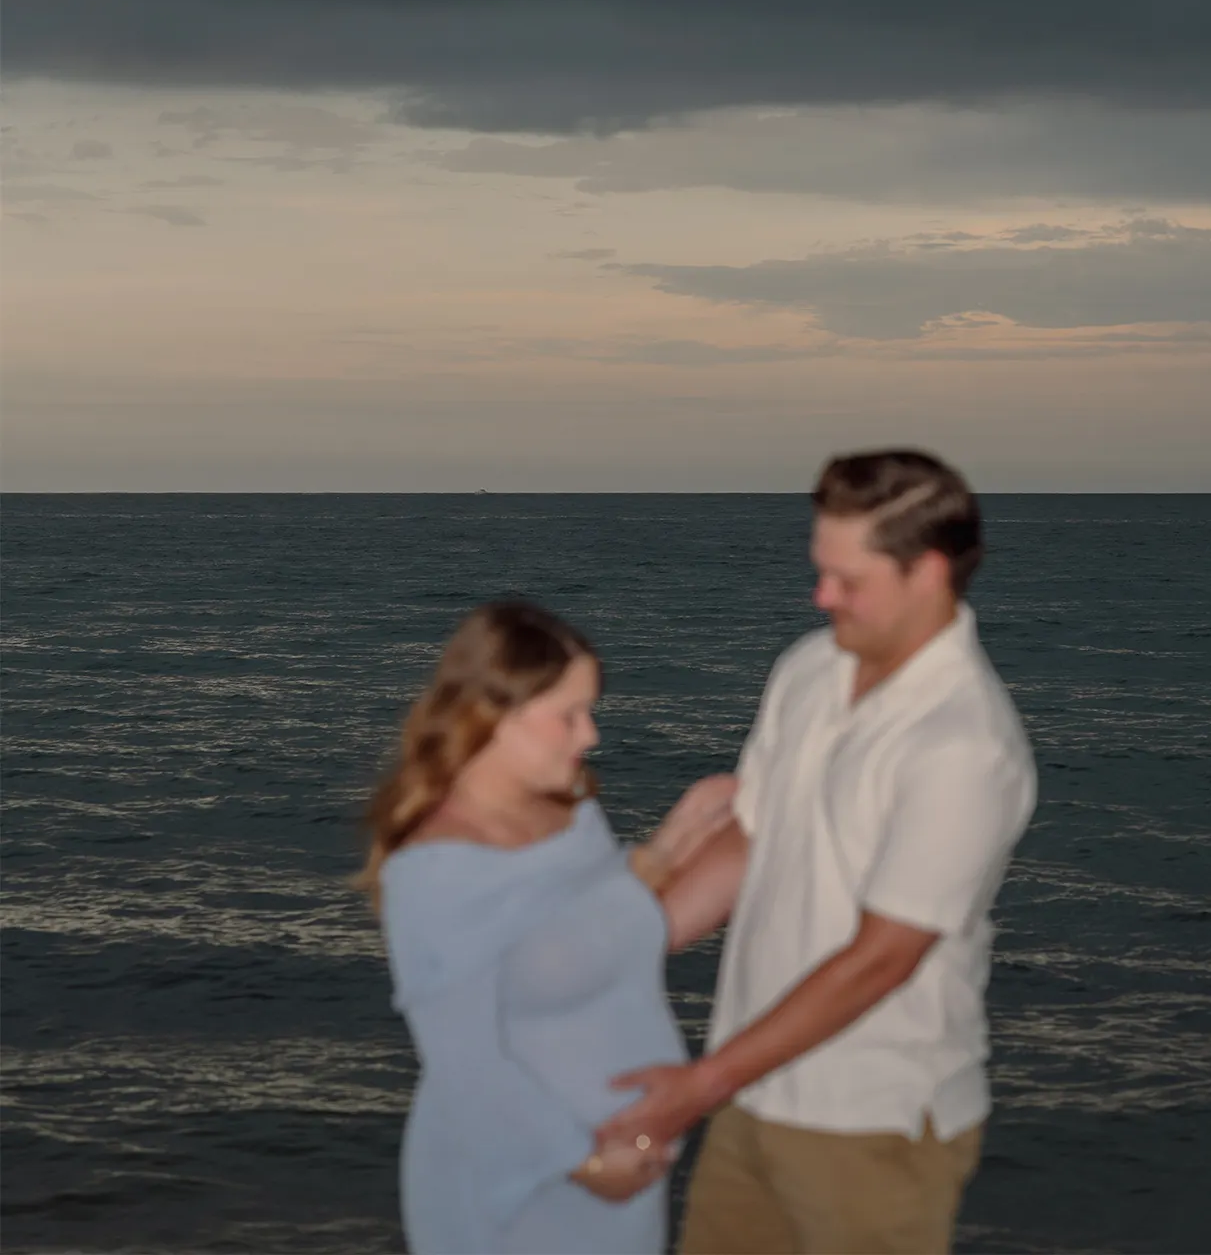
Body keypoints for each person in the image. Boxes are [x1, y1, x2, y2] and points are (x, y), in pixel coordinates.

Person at [600, 449, 1038, 1255]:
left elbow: (883, 958)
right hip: (751, 1094)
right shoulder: (809, 669)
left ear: (929, 573)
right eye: (820, 570)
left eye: (848, 580)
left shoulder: (963, 745)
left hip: (873, 1125)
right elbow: (753, 836)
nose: (821, 596)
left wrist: (698, 1086)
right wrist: (623, 944)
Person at [358, 596, 737, 1255]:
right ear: (493, 718)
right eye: (568, 716)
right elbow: (464, 1067)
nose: (589, 735)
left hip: (623, 1178)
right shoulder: (436, 868)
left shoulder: (568, 805)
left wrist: (668, 849)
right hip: (527, 1191)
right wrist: (586, 1163)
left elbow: (574, 919)